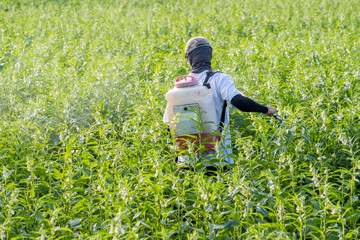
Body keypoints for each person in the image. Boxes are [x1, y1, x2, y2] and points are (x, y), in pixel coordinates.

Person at [164, 36, 276, 171]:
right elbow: (239, 101)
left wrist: (177, 158)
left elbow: (168, 126)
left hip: (188, 163)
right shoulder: (220, 79)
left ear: (189, 58)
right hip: (217, 159)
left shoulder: (179, 87)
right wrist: (265, 109)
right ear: (209, 55)